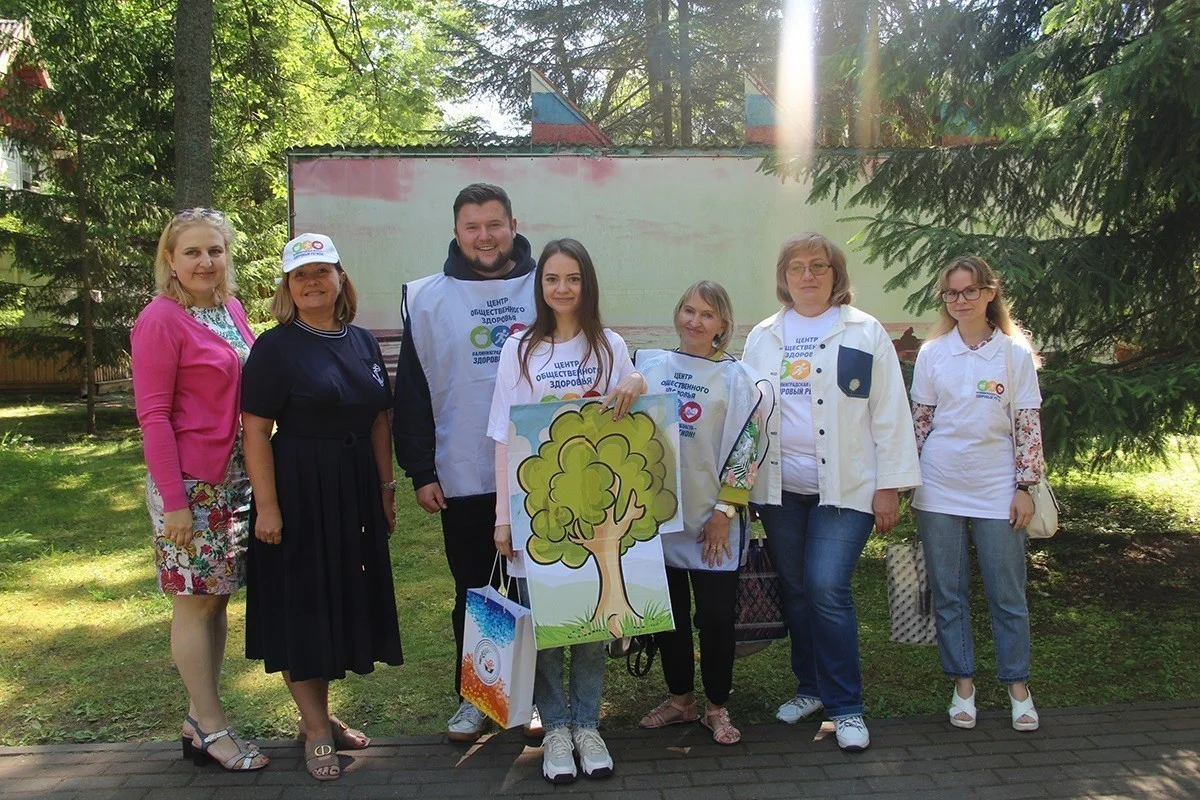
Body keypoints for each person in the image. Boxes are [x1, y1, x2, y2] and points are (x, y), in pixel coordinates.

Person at [742, 232, 921, 752]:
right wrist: (742, 491)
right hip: (781, 490)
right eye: (796, 266)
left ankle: (846, 707)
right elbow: (748, 417)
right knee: (796, 590)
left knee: (826, 587)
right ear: (784, 276)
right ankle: (811, 688)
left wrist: (889, 487)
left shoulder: (863, 331)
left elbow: (890, 412)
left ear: (835, 274)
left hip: (847, 488)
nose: (808, 275)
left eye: (818, 265)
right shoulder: (763, 337)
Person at [241, 233, 403, 782]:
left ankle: (322, 715)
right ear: (287, 287)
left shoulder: (362, 341)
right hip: (300, 490)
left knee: (336, 604)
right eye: (300, 275)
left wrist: (385, 489)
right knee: (304, 605)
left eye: (321, 271)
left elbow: (379, 419)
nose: (312, 282)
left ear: (340, 278)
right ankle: (314, 728)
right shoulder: (275, 347)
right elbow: (255, 431)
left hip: (354, 489)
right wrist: (268, 506)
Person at [488, 238, 645, 783]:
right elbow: (503, 436)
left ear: (587, 284)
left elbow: (637, 408)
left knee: (593, 622)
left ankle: (588, 725)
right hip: (536, 509)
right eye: (552, 278)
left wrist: (636, 378)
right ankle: (555, 726)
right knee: (548, 625)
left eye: (573, 278)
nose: (562, 288)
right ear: (540, 285)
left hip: (598, 509)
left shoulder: (609, 344)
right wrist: (503, 517)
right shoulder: (520, 349)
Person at [393, 183, 540, 742]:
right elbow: (412, 392)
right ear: (456, 232)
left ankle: (530, 697)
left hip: (540, 471)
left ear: (513, 226)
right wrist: (420, 470)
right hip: (462, 469)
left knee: (537, 589)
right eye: (472, 227)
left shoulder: (547, 284)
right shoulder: (427, 298)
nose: (485, 236)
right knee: (477, 590)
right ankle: (478, 697)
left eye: (494, 224)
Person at [131, 209, 268, 772]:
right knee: (193, 603)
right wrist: (176, 503)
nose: (205, 261)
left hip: (234, 480)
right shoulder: (159, 319)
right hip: (191, 485)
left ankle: (198, 718)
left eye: (214, 250)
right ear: (170, 259)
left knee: (216, 600)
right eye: (191, 252)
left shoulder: (229, 308)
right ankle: (212, 728)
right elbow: (154, 417)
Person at [910, 255, 1044, 732]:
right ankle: (963, 685)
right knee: (949, 594)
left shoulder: (1013, 354)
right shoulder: (933, 354)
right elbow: (920, 425)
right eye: (952, 293)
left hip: (997, 490)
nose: (960, 300)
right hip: (939, 488)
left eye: (970, 291)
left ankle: (1018, 688)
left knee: (1007, 594)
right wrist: (905, 482)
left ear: (989, 293)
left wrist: (1025, 487)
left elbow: (1027, 426)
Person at [633, 281, 770, 745]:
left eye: (707, 315)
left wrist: (724, 512)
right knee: (668, 616)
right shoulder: (648, 366)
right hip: (660, 519)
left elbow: (748, 449)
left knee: (714, 618)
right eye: (688, 310)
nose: (695, 321)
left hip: (714, 521)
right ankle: (680, 701)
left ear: (722, 325)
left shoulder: (739, 379)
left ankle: (715, 706)